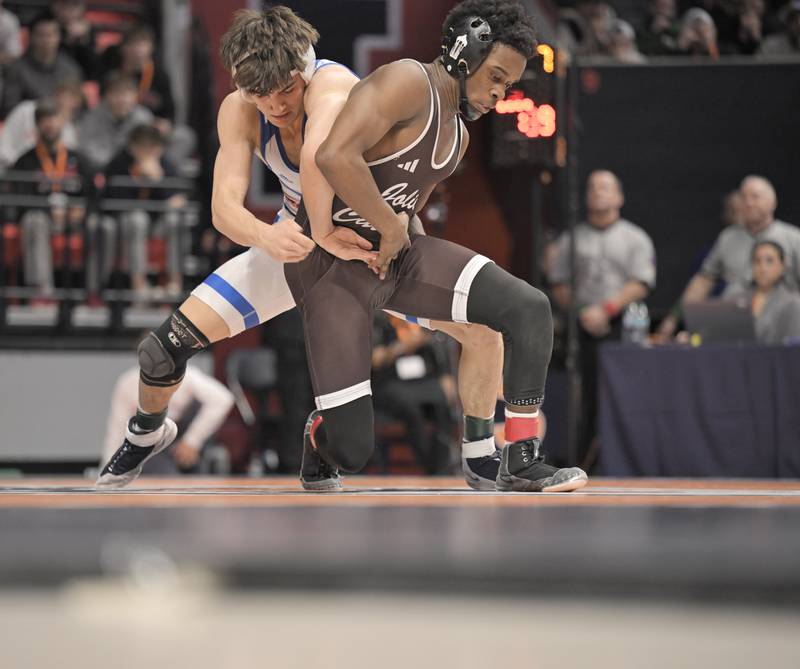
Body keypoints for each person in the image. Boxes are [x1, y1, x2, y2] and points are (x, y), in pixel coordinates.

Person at [96, 6, 506, 491]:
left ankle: (480, 453)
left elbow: (320, 159)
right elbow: (223, 209)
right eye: (258, 93)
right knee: (162, 353)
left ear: (305, 69)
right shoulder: (240, 109)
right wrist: (268, 235)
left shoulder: (332, 91)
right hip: (296, 245)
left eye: (286, 89)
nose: (275, 105)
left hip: (369, 248)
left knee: (484, 330)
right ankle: (146, 431)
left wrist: (373, 226)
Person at [286, 0, 588, 492]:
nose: (499, 93)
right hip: (331, 265)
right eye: (495, 77)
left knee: (525, 308)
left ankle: (511, 455)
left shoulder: (457, 136)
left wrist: (420, 264)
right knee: (352, 450)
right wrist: (388, 227)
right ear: (463, 53)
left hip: (392, 257)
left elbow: (406, 212)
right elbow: (334, 155)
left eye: (508, 85)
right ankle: (321, 435)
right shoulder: (408, 80)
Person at [547, 170, 656, 467]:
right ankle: (579, 460)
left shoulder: (635, 238)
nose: (598, 193)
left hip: (621, 326)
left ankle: (626, 461)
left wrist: (607, 309)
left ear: (619, 196)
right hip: (580, 328)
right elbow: (558, 283)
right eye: (593, 187)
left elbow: (641, 282)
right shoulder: (571, 238)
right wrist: (583, 313)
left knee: (624, 395)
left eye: (605, 188)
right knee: (584, 398)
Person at [658, 175, 800, 339]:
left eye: (755, 197)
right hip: (736, 326)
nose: (749, 203)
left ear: (773, 202)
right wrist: (673, 318)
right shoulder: (727, 238)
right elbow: (703, 281)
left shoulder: (794, 238)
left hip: (782, 325)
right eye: (744, 197)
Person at [10, 98, 91, 299]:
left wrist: (81, 209)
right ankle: (41, 292)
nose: (49, 124)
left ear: (62, 122)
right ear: (37, 125)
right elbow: (21, 201)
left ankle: (94, 292)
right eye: (44, 119)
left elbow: (94, 193)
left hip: (75, 219)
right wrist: (49, 211)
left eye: (53, 118)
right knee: (34, 220)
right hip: (43, 218)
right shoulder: (25, 161)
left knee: (102, 224)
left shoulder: (79, 158)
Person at [102, 357, 235, 475]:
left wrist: (192, 441)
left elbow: (223, 399)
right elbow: (117, 431)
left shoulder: (188, 376)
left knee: (198, 403)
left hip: (185, 439)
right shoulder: (128, 383)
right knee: (169, 483)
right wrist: (109, 472)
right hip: (153, 445)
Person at [102, 123, 189, 297]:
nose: (149, 151)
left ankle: (175, 282)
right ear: (132, 147)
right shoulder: (119, 163)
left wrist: (157, 180)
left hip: (158, 222)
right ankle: (139, 284)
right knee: (137, 219)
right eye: (143, 146)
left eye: (154, 147)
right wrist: (139, 180)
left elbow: (179, 198)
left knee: (175, 220)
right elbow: (113, 197)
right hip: (126, 222)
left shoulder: (166, 163)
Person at [2, 11, 83, 115]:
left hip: (64, 125)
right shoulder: (15, 69)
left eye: (50, 35)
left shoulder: (70, 69)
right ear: (30, 37)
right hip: (27, 125)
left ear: (59, 37)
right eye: (41, 35)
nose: (46, 40)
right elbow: (10, 109)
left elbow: (80, 109)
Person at [77, 71, 153, 171]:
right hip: (100, 174)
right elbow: (87, 151)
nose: (122, 99)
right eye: (117, 93)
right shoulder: (92, 117)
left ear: (135, 95)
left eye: (126, 93)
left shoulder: (144, 118)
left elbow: (149, 152)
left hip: (135, 174)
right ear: (107, 95)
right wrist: (114, 165)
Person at [0, 79, 83, 169]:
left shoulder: (68, 128)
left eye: (75, 100)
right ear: (56, 94)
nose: (71, 104)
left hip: (51, 173)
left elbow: (67, 157)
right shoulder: (25, 111)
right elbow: (5, 144)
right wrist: (16, 167)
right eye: (68, 97)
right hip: (20, 170)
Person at [729, 241, 800, 344]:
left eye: (769, 261)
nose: (763, 268)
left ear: (782, 267)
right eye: (757, 261)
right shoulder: (736, 299)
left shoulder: (793, 303)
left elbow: (794, 348)